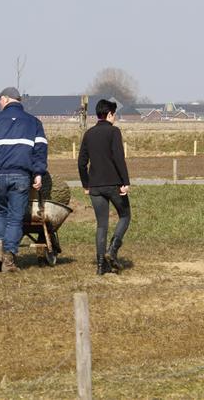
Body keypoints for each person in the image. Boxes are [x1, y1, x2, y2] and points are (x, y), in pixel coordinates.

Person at [0, 87, 48, 272]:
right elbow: (40, 150)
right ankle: (9, 260)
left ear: (7, 99)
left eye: (0, 99)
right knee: (15, 218)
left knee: (1, 213)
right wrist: (38, 173)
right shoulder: (34, 122)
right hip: (21, 175)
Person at [77, 99, 131, 275]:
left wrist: (86, 184)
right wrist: (125, 182)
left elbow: (81, 163)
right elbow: (118, 158)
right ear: (109, 114)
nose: (115, 118)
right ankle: (112, 251)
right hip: (113, 184)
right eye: (114, 115)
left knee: (102, 225)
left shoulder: (89, 134)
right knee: (125, 215)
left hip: (95, 186)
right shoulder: (114, 132)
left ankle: (101, 266)